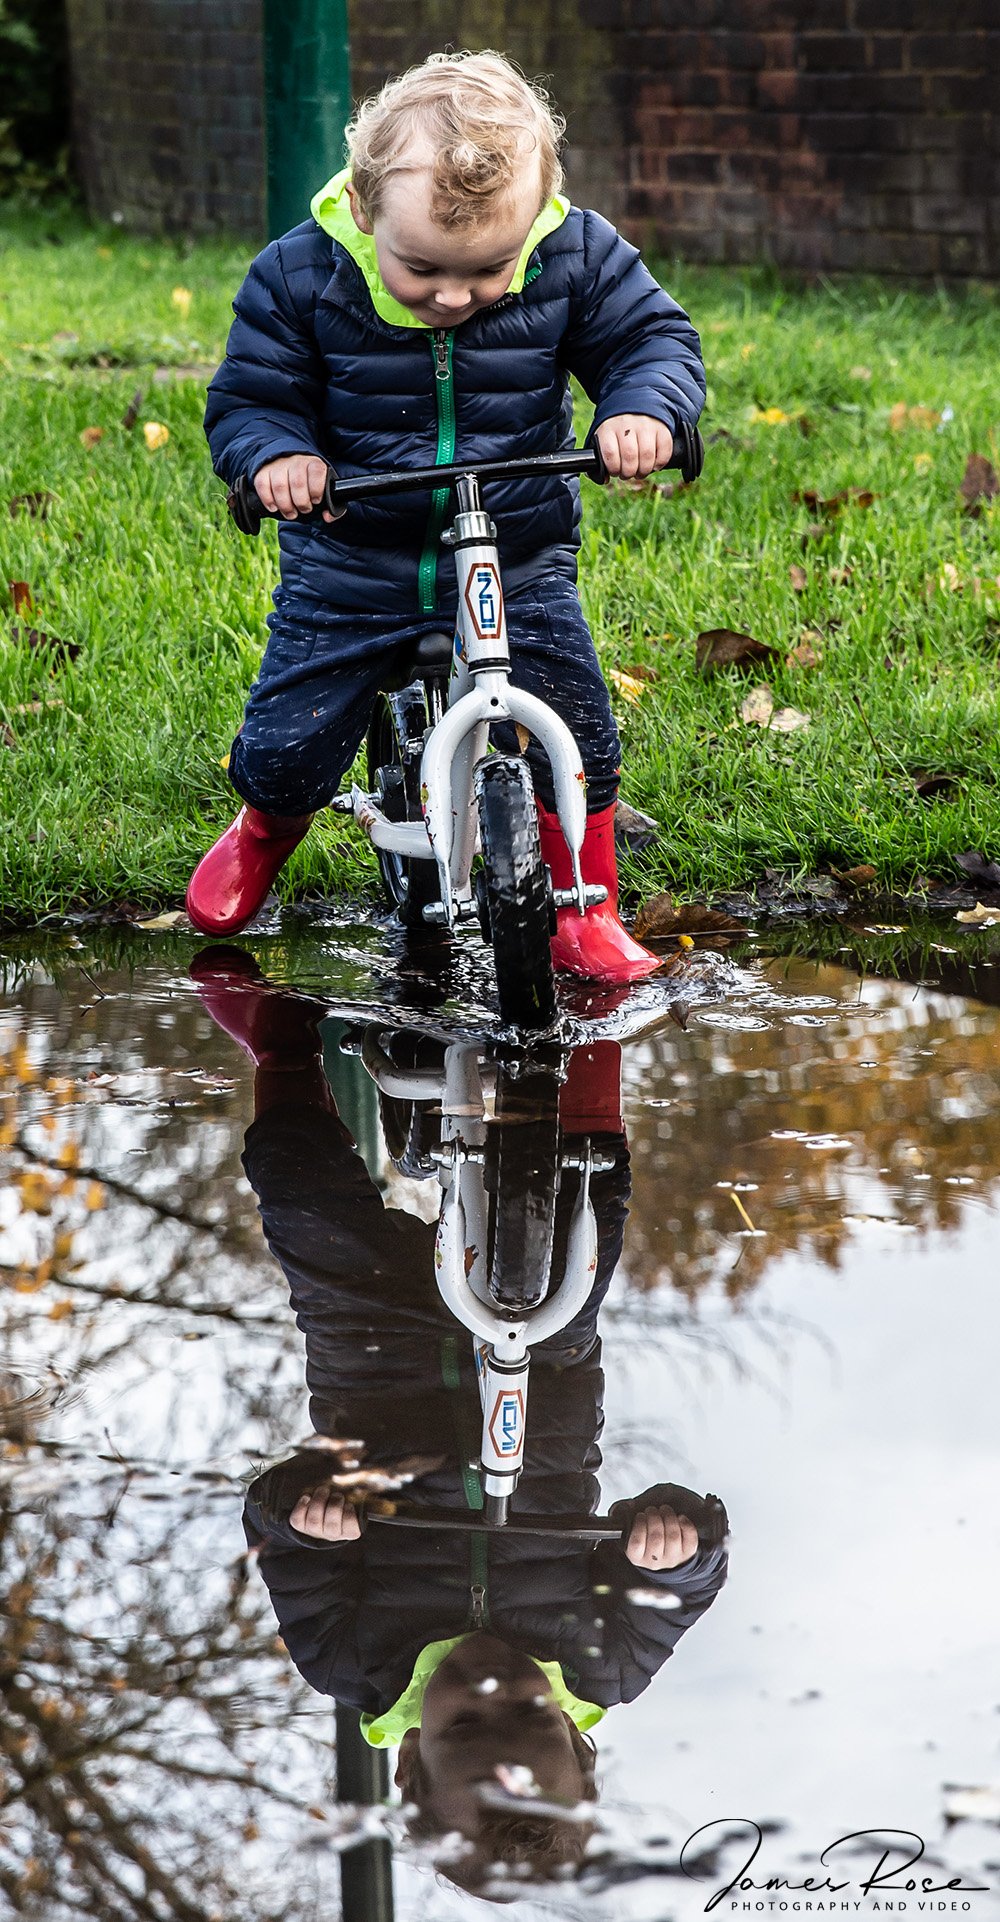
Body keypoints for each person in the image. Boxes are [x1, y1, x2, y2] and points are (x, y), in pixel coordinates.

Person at [189, 946, 729, 1883]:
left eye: (465, 1727)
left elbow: (281, 1539)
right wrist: (675, 1543)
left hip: (373, 1360)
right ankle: (589, 1012)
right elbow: (682, 1587)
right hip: (544, 1356)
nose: (490, 1690)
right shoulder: (607, 1666)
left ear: (410, 1760)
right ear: (581, 1750)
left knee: (295, 1185)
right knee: (590, 1198)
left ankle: (283, 1047)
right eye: (526, 1716)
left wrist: (307, 1515)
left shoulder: (357, 1666)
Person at [186, 49, 706, 983]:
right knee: (290, 739)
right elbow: (251, 397)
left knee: (578, 724)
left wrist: (640, 410)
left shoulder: (575, 256)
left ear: (537, 218)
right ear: (365, 208)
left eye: (488, 271)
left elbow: (651, 338)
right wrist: (278, 457)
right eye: (422, 269)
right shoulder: (302, 275)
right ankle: (267, 824)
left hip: (517, 550)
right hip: (353, 556)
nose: (456, 297)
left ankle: (586, 906)